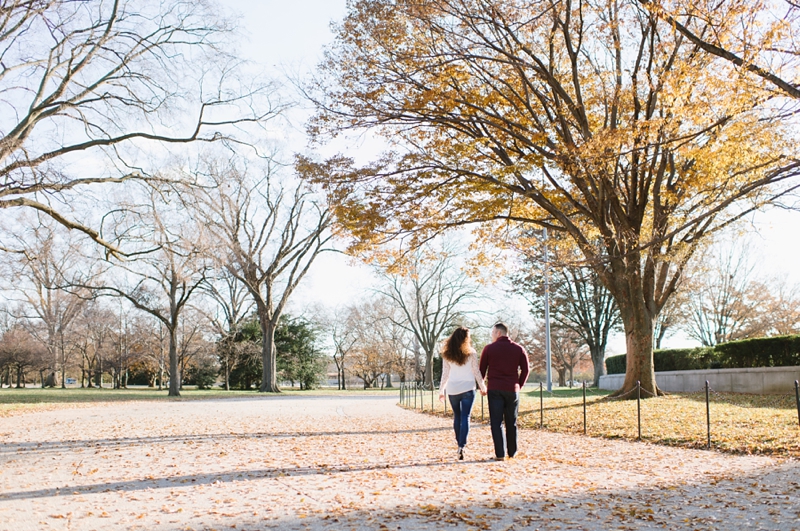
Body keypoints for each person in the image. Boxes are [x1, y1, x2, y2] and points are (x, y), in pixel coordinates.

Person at [479, 322, 530, 460]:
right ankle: (512, 452)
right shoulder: (519, 349)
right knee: (511, 421)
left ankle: (500, 454)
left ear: (498, 333)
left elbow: (481, 371)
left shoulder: (489, 349)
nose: (492, 335)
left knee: (496, 422)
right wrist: (519, 385)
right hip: (512, 389)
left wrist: (481, 386)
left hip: (495, 388)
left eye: (493, 333)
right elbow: (526, 370)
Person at [438, 326, 487, 461]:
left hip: (453, 389)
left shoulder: (447, 354)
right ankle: (462, 445)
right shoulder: (471, 353)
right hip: (468, 388)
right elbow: (476, 371)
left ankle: (458, 442)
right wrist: (483, 386)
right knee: (465, 417)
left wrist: (441, 390)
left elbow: (445, 374)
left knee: (457, 417)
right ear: (466, 338)